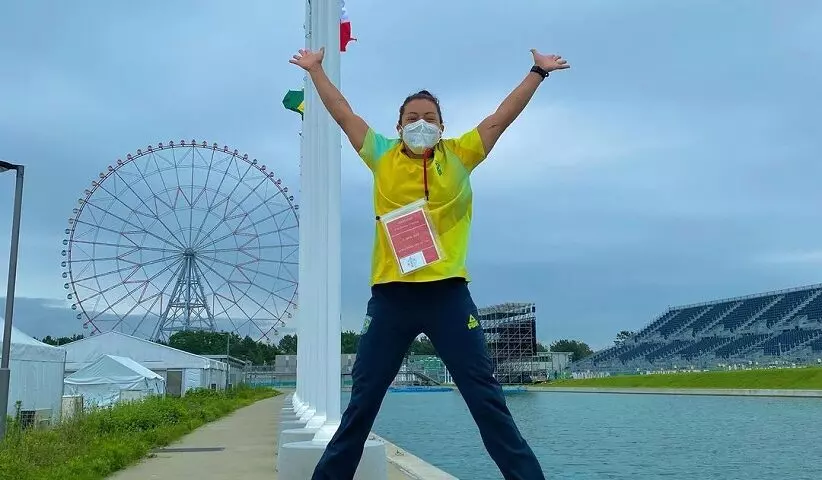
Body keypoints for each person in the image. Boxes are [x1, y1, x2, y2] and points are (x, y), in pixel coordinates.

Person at [289, 46, 569, 480]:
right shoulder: (380, 154)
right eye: (412, 118)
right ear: (399, 126)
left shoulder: (460, 154)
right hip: (391, 299)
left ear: (442, 126)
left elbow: (502, 117)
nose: (421, 124)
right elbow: (342, 112)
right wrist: (316, 70)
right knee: (363, 402)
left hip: (448, 297)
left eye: (430, 118)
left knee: (486, 400)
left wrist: (538, 71)